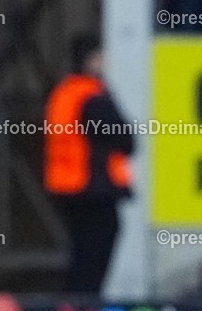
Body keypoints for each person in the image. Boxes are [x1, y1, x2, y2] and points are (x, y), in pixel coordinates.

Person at [44, 35, 134, 295]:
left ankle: (75, 308)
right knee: (95, 253)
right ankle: (84, 310)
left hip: (67, 186)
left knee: (82, 252)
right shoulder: (92, 96)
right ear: (91, 60)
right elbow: (124, 140)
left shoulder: (64, 93)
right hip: (93, 186)